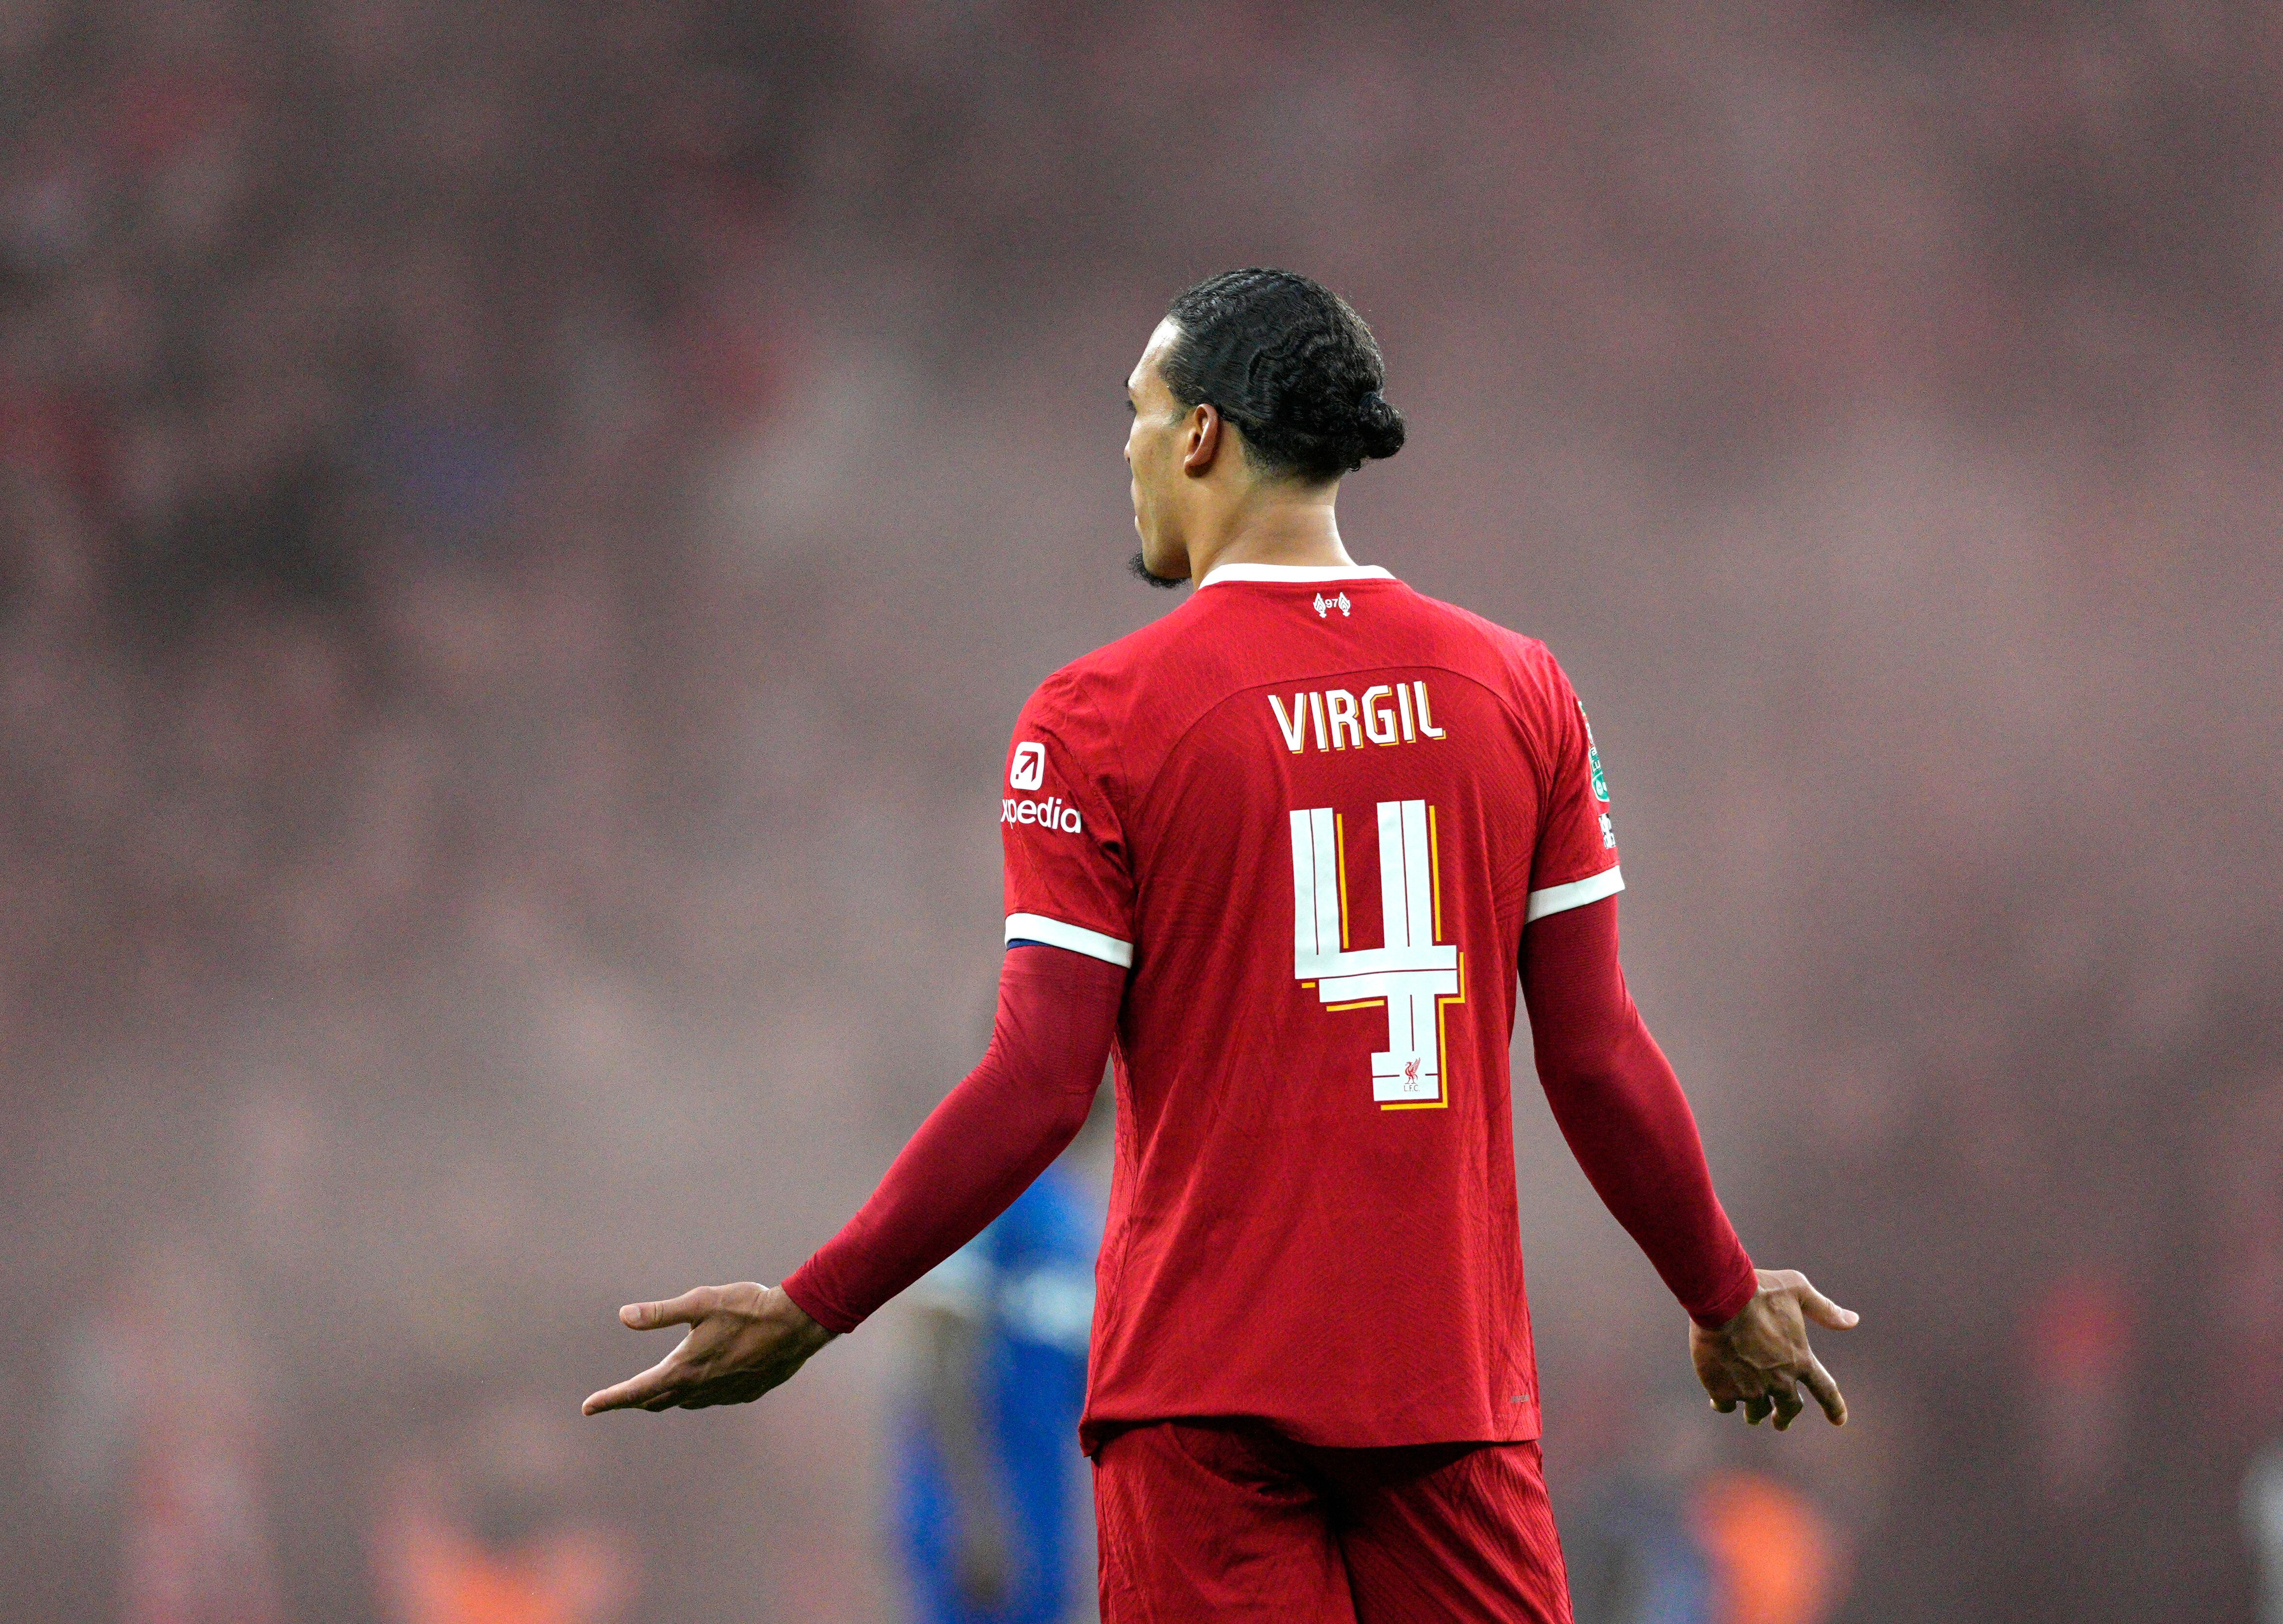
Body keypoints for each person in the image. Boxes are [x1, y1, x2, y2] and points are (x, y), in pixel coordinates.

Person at [585, 268, 1857, 1621]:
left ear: (1202, 437)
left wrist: (813, 1302)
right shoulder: (1521, 689)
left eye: (1137, 412)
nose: (1125, 449)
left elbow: (1037, 1084)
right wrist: (1718, 1289)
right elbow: (1595, 1055)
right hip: (1452, 1397)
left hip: (1202, 1413)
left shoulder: (1094, 719)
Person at [896, 1156, 1103, 1624]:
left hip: (1042, 1518)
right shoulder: (989, 1191)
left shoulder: (1072, 1214)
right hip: (978, 1524)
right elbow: (939, 1360)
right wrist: (975, 1513)